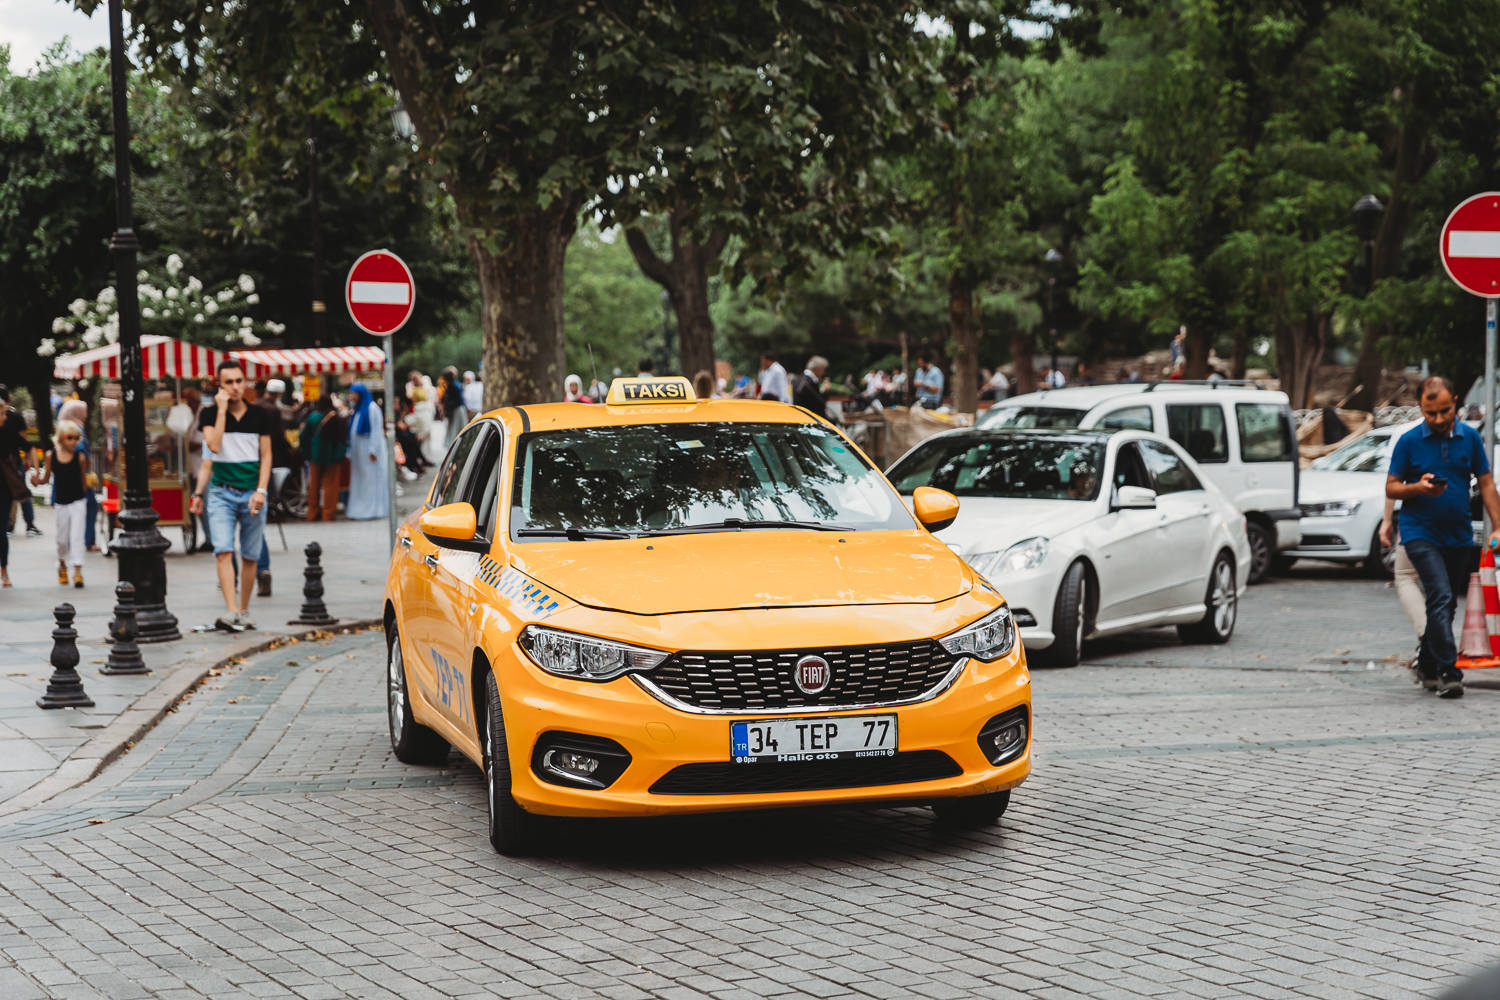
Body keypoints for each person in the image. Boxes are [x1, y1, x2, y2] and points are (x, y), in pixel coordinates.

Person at [1385, 376, 1500, 699]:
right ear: (1421, 408)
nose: (1437, 419)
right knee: (1440, 595)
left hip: (1459, 534)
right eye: (1429, 412)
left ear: (1456, 402)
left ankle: (1427, 664)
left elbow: (1487, 483)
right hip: (1419, 531)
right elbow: (1391, 487)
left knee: (1446, 606)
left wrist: (1498, 526)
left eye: (1444, 411)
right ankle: (1450, 670)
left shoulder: (1470, 439)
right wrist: (1417, 488)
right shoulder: (1408, 441)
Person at [191, 359, 272, 632]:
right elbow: (213, 447)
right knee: (223, 550)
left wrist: (261, 491)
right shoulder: (209, 414)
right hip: (221, 493)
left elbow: (266, 455)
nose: (235, 387)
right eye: (229, 382)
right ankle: (232, 610)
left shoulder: (260, 415)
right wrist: (222, 410)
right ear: (219, 385)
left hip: (252, 493)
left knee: (250, 554)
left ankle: (245, 610)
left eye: (239, 381)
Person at [35, 420, 89, 587]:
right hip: (61, 503)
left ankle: (78, 571)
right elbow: (46, 477)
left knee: (77, 536)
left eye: (77, 438)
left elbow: (83, 480)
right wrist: (37, 480)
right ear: (61, 438)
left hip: (78, 501)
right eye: (69, 437)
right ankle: (62, 564)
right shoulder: (51, 455)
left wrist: (86, 496)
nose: (73, 441)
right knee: (61, 539)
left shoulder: (80, 458)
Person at [0, 386, 32, 587]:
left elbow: (29, 448)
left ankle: (4, 570)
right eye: (2, 413)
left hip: (5, 487)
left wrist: (34, 471)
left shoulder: (9, 433)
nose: (5, 417)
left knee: (0, 529)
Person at [345, 383, 390, 520]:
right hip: (359, 453)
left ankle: (372, 510)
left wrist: (373, 450)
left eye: (354, 394)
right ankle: (360, 509)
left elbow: (376, 431)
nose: (352, 397)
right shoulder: (357, 410)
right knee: (361, 480)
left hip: (369, 453)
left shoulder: (372, 408)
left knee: (370, 480)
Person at [301, 396, 346, 522]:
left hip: (315, 456)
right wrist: (340, 454)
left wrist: (307, 452)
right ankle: (328, 514)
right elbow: (342, 438)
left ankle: (312, 513)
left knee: (314, 485)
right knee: (330, 486)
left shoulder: (313, 417)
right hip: (332, 456)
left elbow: (303, 436)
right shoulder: (336, 418)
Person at [438, 367, 467, 446]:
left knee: (456, 426)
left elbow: (457, 399)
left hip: (457, 408)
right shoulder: (453, 384)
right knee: (455, 426)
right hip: (457, 408)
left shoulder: (453, 386)